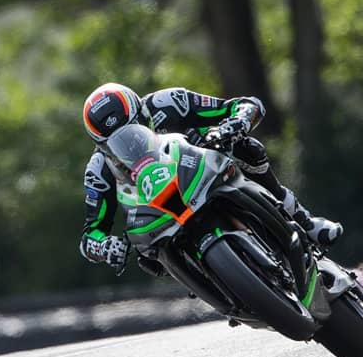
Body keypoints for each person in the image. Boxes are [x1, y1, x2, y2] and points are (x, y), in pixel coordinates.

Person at [79, 82, 343, 274]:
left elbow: (245, 105)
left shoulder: (169, 103)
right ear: (100, 144)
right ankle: (211, 279)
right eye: (114, 142)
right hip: (159, 215)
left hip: (199, 170)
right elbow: (91, 235)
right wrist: (106, 247)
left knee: (247, 147)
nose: (130, 141)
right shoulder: (98, 169)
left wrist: (236, 122)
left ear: (142, 111)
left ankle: (302, 220)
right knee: (146, 257)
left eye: (134, 126)